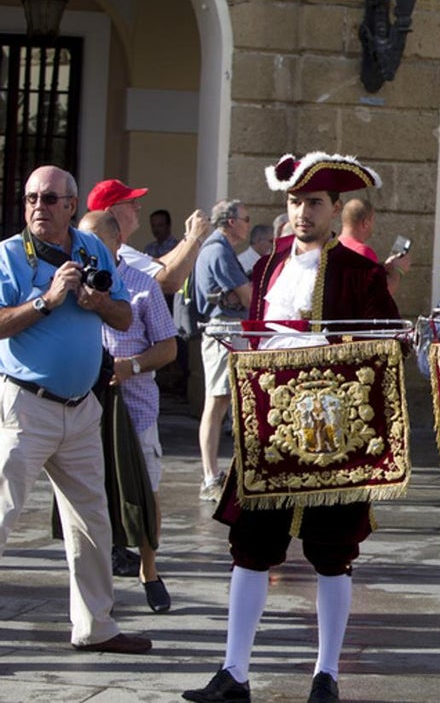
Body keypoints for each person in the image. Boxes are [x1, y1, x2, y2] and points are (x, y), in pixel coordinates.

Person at [183, 152, 399, 703]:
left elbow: (384, 344)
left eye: (314, 203)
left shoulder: (360, 272)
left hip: (333, 433)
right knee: (250, 546)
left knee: (332, 551)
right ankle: (234, 672)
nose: (302, 212)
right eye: (295, 202)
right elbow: (260, 336)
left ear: (333, 209)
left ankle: (326, 673)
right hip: (271, 432)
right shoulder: (267, 265)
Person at [0, 165, 150, 654]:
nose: (38, 207)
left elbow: (126, 314)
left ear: (71, 205)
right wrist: (47, 300)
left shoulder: (91, 249)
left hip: (82, 408)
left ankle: (96, 626)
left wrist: (97, 302)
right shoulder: (8, 255)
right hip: (27, 405)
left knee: (92, 521)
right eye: (31, 199)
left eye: (49, 199)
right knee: (2, 512)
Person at [78, 210, 178, 613]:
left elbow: (168, 346)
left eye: (96, 243)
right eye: (82, 243)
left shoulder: (141, 286)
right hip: (84, 409)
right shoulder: (71, 285)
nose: (88, 252)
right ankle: (98, 585)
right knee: (90, 497)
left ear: (117, 241)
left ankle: (149, 571)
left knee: (144, 492)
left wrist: (130, 366)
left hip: (135, 407)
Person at [193, 200, 252, 502]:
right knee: (216, 404)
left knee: (224, 404)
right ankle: (209, 476)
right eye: (245, 219)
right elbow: (248, 295)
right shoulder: (218, 251)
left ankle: (218, 474)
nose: (248, 224)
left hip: (228, 329)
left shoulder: (220, 249)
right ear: (230, 222)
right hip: (224, 330)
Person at [86, 179, 210, 296]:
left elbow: (160, 263)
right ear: (111, 212)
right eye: (131, 202)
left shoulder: (120, 250)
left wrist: (188, 237)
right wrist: (194, 238)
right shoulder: (117, 253)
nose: (138, 207)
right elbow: (169, 281)